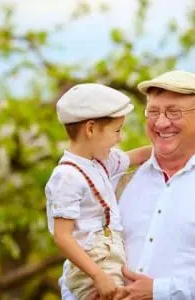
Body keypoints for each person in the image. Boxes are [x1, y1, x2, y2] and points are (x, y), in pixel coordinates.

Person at [61, 70, 195, 299]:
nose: (161, 122)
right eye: (153, 111)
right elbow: (75, 265)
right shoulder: (114, 183)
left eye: (174, 112)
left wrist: (159, 291)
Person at [45, 83, 151, 300]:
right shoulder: (67, 176)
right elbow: (62, 236)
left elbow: (138, 156)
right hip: (93, 263)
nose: (120, 139)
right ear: (91, 129)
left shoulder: (101, 161)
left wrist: (188, 152)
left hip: (110, 256)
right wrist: (97, 275)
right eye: (117, 131)